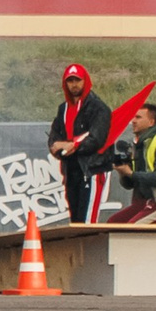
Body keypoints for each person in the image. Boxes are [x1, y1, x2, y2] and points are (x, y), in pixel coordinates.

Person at [47, 63, 113, 223]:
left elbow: (96, 139)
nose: (74, 84)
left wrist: (72, 146)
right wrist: (58, 147)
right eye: (70, 81)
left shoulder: (98, 107)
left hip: (91, 170)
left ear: (85, 81)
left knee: (88, 220)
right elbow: (54, 136)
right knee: (75, 220)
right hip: (71, 170)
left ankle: (90, 247)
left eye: (78, 80)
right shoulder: (63, 109)